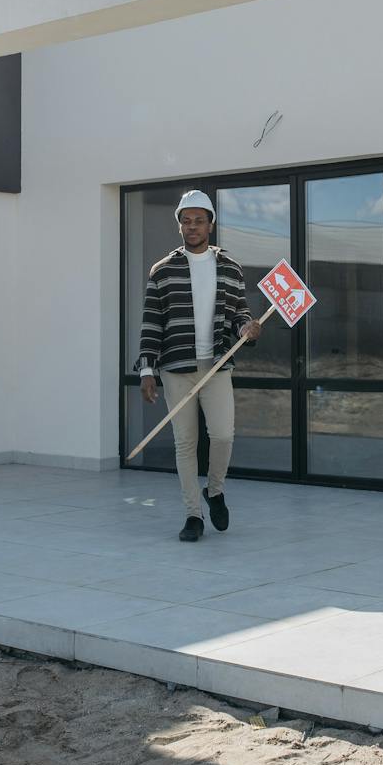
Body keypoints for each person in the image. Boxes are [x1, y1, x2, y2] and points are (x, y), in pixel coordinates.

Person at [136, 191, 262, 541]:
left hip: (217, 365)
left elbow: (239, 313)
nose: (192, 227)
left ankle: (215, 491)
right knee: (185, 444)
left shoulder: (230, 267)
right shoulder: (162, 271)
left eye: (199, 220)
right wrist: (147, 370)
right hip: (176, 366)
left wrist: (247, 329)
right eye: (186, 221)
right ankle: (193, 515)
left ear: (211, 224)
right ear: (179, 225)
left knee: (222, 434)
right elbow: (151, 323)